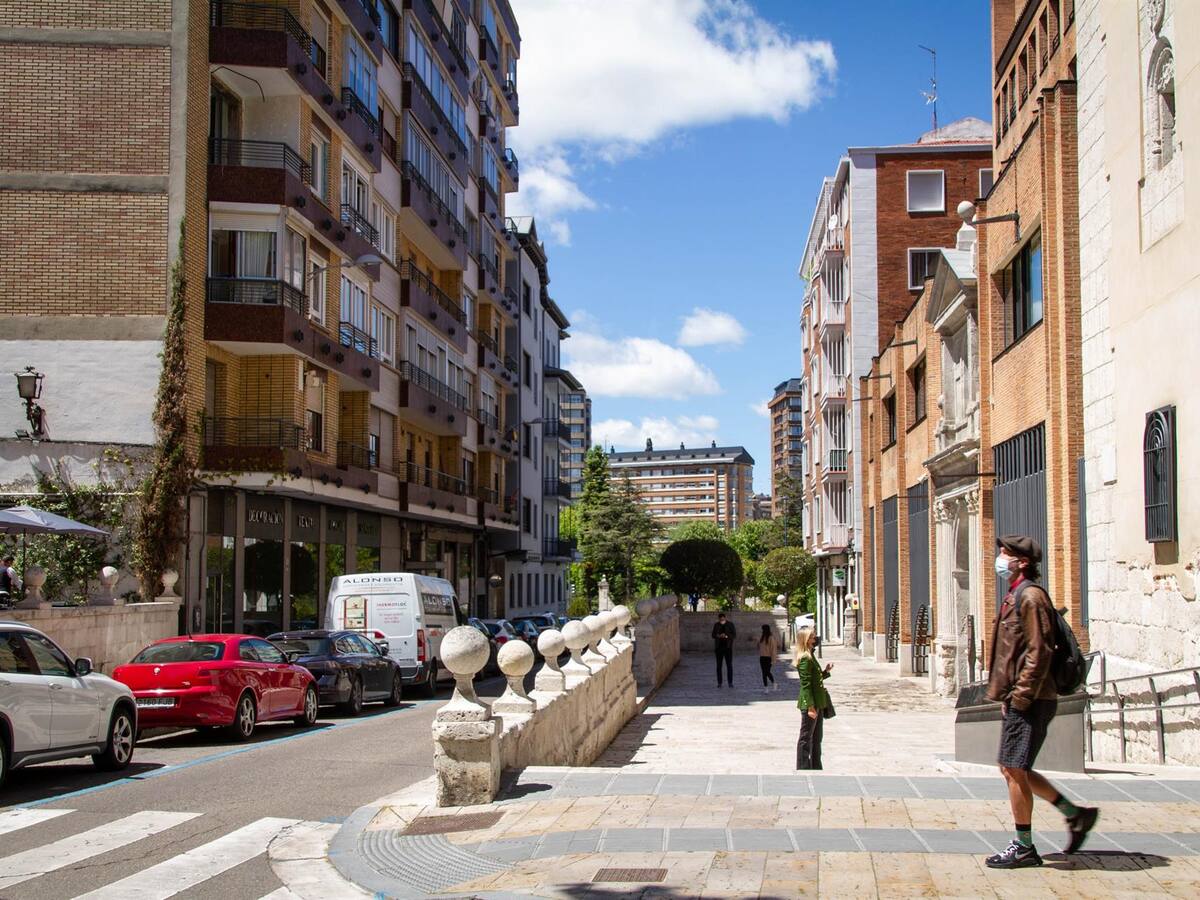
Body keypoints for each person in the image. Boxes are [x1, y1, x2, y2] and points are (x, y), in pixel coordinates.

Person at [984, 535, 1099, 869]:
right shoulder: (1016, 594)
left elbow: (1039, 652)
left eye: (1006, 554)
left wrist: (1020, 696)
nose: (1000, 558)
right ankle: (1076, 815)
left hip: (1031, 699)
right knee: (1014, 767)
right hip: (1021, 697)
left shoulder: (1031, 597)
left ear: (1022, 561)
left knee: (1012, 768)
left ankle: (1023, 846)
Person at [795, 627, 832, 769]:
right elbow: (806, 684)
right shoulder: (805, 658)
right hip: (811, 703)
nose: (814, 639)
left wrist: (826, 672)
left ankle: (816, 766)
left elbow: (815, 680)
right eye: (812, 637)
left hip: (818, 702)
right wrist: (810, 706)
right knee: (806, 737)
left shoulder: (811, 655)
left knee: (817, 738)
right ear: (806, 640)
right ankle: (803, 767)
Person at [711, 613, 736, 687]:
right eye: (720, 619)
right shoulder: (716, 625)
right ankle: (719, 682)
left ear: (725, 618)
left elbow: (734, 635)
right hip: (719, 648)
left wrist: (726, 636)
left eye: (723, 619)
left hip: (728, 647)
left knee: (729, 666)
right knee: (719, 666)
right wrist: (718, 635)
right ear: (719, 619)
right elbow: (713, 635)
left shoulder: (730, 624)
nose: (722, 620)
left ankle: (730, 682)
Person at [757, 623, 778, 693]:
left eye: (763, 629)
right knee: (763, 673)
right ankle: (766, 687)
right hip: (762, 657)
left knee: (767, 672)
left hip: (769, 658)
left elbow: (773, 649)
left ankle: (774, 683)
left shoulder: (771, 638)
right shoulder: (762, 638)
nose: (762, 631)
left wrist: (773, 659)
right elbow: (759, 647)